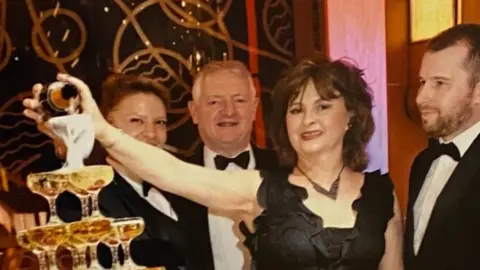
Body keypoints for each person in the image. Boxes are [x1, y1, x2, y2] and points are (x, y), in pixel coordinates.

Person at [23, 55, 404, 270]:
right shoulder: (260, 188)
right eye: (296, 109)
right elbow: (171, 171)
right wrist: (101, 130)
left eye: (323, 106)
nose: (308, 120)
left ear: (350, 115)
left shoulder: (381, 196)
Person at [33, 74, 204, 269]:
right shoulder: (82, 197)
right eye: (136, 121)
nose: (151, 133)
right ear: (106, 124)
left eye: (160, 122)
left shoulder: (178, 186)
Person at [185, 60, 279, 270]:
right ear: (194, 111)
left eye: (239, 100)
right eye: (214, 102)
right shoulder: (172, 181)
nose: (229, 111)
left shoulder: (288, 172)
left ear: (254, 108)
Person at [404, 23, 480, 270]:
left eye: (439, 83)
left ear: (478, 91)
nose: (420, 97)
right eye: (422, 82)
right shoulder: (423, 161)